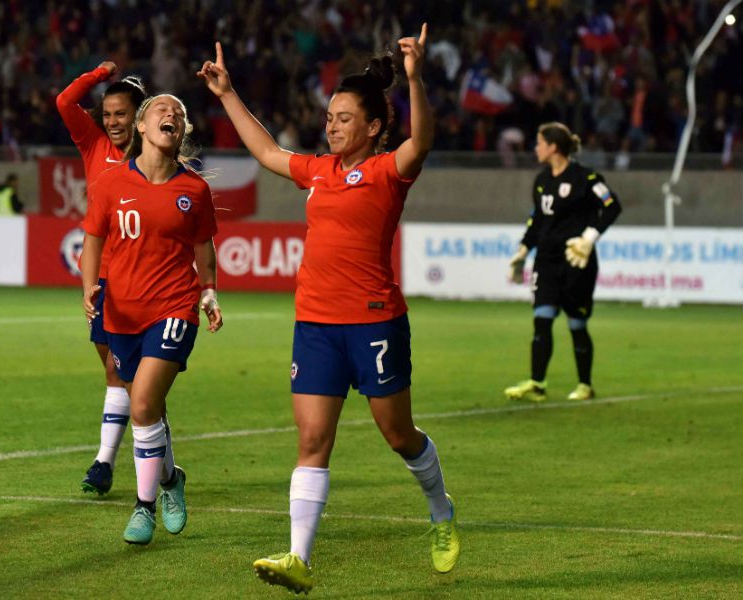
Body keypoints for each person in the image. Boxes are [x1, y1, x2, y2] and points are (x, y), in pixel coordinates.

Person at [198, 24, 459, 593]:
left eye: (344, 119)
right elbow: (267, 150)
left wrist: (415, 80)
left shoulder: (390, 171)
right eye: (330, 117)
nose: (332, 125)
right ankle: (299, 558)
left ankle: (440, 511)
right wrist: (225, 95)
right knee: (312, 441)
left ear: (373, 127)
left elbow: (423, 141)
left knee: (398, 435)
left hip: (374, 323)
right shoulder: (317, 170)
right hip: (315, 325)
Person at [81, 93, 222, 544]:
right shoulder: (109, 184)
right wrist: (89, 286)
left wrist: (209, 291)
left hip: (174, 308)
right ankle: (170, 481)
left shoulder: (194, 190)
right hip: (122, 312)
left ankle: (143, 509)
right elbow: (93, 241)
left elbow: (204, 248)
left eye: (180, 113)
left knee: (141, 402)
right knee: (150, 408)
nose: (173, 115)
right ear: (142, 126)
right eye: (163, 110)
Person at [56, 62, 155, 496]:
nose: (113, 122)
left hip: (145, 277)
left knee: (135, 378)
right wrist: (97, 74)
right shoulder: (93, 144)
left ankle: (116, 464)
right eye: (108, 114)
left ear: (139, 117)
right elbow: (63, 101)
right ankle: (113, 464)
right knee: (116, 371)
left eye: (122, 114)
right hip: (105, 279)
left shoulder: (155, 155)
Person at [505, 122, 622, 403]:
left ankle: (585, 385)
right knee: (541, 320)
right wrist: (522, 252)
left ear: (553, 146)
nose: (536, 148)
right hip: (545, 261)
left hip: (576, 262)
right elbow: (536, 222)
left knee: (576, 324)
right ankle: (537, 383)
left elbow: (612, 205)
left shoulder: (587, 178)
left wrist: (588, 238)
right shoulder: (542, 181)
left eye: (539, 143)